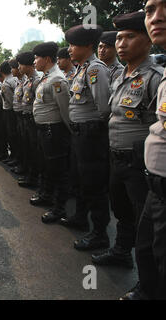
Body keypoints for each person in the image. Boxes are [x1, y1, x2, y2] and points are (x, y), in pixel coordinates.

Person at [92, 11, 163, 271]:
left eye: (130, 37)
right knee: (121, 210)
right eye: (119, 38)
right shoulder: (119, 76)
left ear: (148, 42)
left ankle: (150, 279)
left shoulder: (155, 77)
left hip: (139, 163)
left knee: (148, 222)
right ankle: (121, 251)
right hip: (116, 157)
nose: (121, 44)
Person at [122, 0, 166, 299]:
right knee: (148, 248)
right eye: (150, 9)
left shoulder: (153, 75)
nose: (156, 17)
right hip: (155, 182)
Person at [61, 24, 112, 251]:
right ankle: (81, 218)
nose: (69, 49)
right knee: (81, 179)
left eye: (73, 44)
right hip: (81, 134)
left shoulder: (95, 69)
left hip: (92, 134)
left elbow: (103, 108)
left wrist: (91, 131)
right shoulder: (82, 69)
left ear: (88, 46)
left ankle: (99, 234)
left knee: (95, 185)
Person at [32, 43, 71, 223]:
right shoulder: (46, 77)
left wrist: (69, 133)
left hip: (53, 131)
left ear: (47, 59)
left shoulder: (57, 79)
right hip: (44, 130)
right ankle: (47, 196)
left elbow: (65, 110)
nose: (34, 62)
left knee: (58, 171)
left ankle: (59, 208)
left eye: (36, 58)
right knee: (47, 167)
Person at [17, 52, 42, 189]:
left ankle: (35, 178)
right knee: (28, 149)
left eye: (21, 65)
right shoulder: (27, 80)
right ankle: (30, 175)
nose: (19, 67)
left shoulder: (37, 80)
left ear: (28, 65)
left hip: (33, 120)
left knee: (35, 150)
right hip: (25, 118)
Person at [0, 60, 18, 165]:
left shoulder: (7, 82)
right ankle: (14, 156)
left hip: (9, 111)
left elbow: (10, 101)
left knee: (12, 135)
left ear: (1, 71)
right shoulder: (15, 79)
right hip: (15, 111)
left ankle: (15, 157)